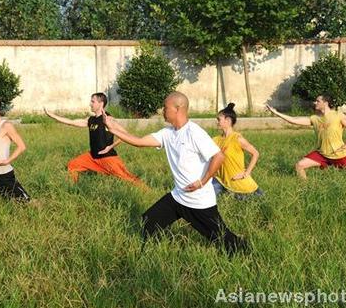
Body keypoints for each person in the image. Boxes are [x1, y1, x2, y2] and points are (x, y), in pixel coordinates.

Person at [103, 91, 247, 254]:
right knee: (148, 223)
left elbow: (218, 156)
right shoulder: (168, 133)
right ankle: (151, 254)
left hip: (198, 202)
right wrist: (113, 129)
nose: (162, 111)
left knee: (223, 239)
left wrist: (203, 181)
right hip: (178, 197)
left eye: (165, 107)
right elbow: (139, 142)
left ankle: (245, 250)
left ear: (178, 108)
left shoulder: (194, 132)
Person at [44, 92, 145, 187]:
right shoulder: (91, 120)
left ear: (101, 104)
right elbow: (71, 122)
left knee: (127, 178)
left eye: (93, 101)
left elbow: (125, 135)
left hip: (107, 158)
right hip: (92, 157)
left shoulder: (108, 119)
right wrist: (52, 115)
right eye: (91, 101)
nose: (90, 104)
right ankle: (74, 188)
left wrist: (110, 147)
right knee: (72, 165)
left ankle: (145, 190)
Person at [266, 94, 346, 179]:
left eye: (318, 101)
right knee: (299, 165)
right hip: (322, 154)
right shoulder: (315, 119)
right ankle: (306, 187)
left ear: (325, 103)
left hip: (339, 154)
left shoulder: (338, 115)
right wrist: (276, 113)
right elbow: (294, 120)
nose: (315, 102)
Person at [212, 103, 263, 199]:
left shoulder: (237, 138)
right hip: (220, 181)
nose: (217, 122)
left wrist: (246, 173)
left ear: (227, 120)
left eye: (219, 120)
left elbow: (255, 153)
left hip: (241, 186)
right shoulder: (215, 140)